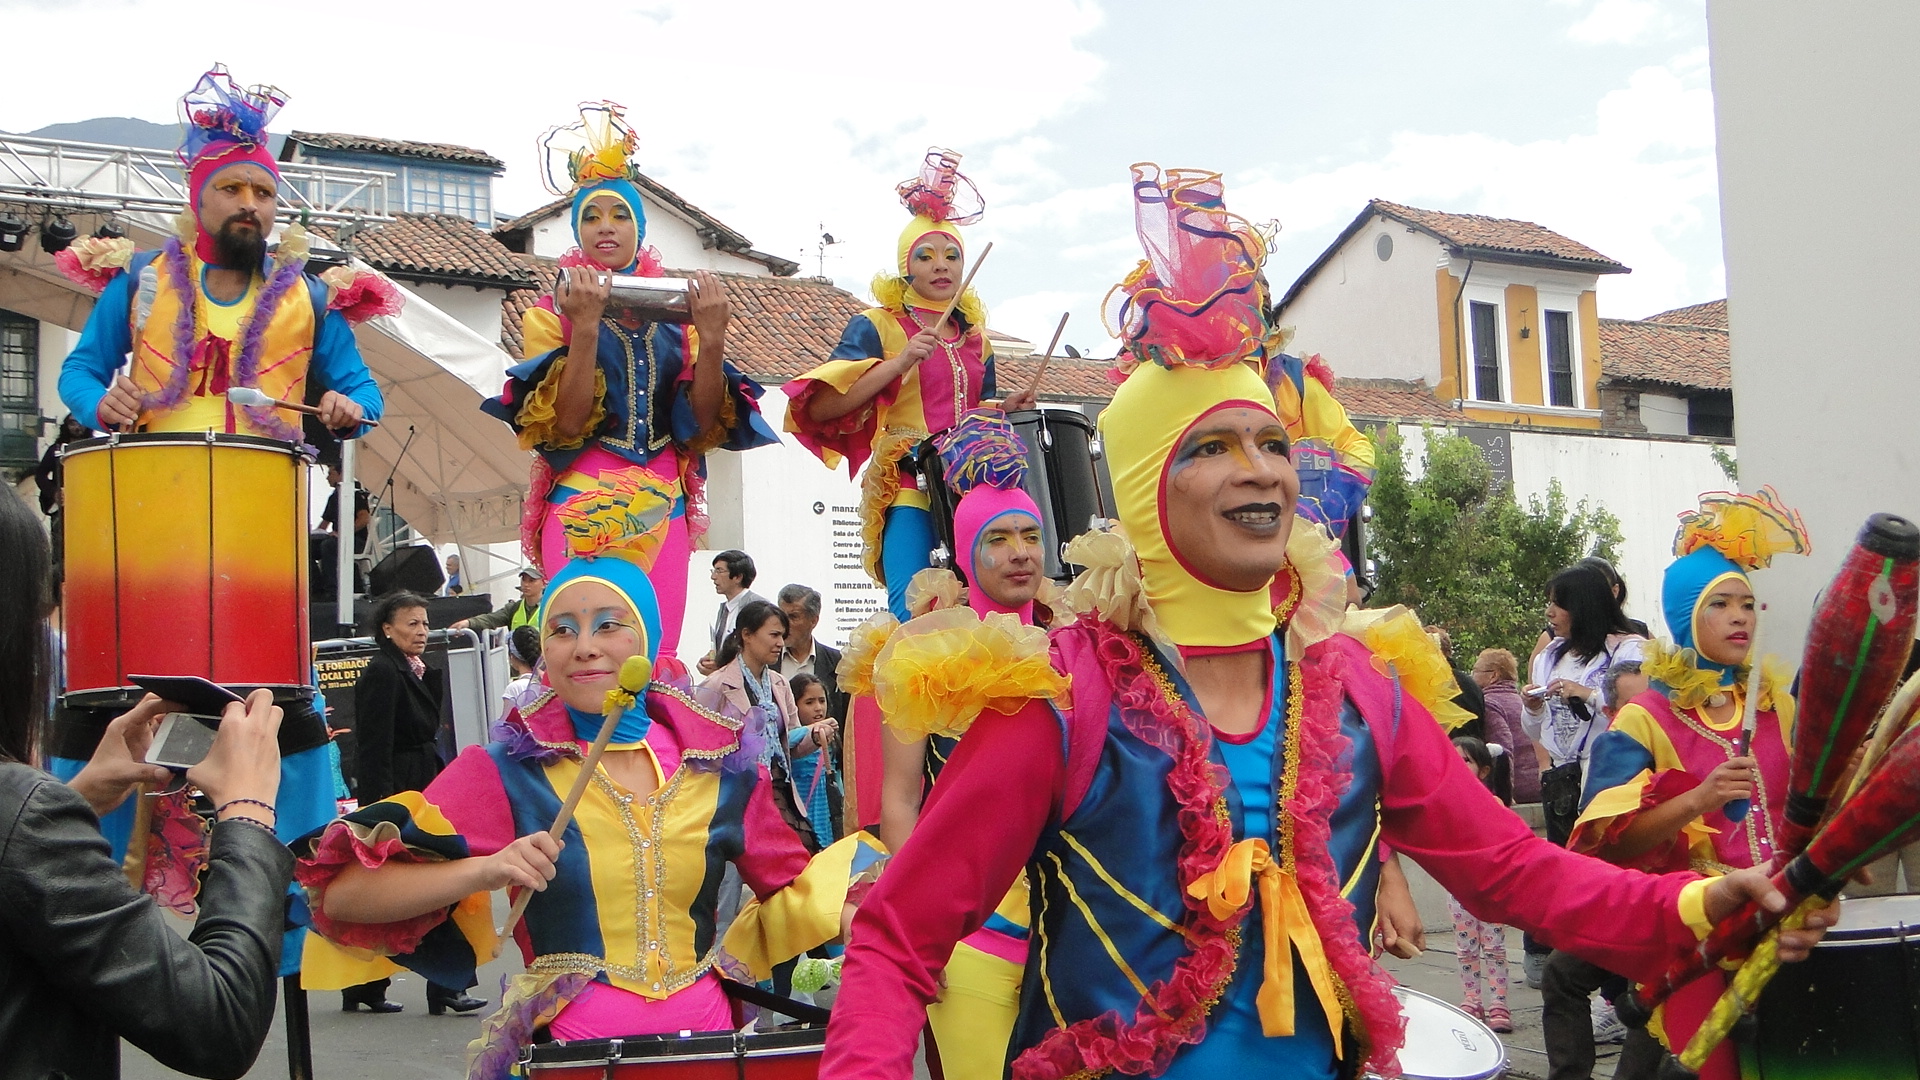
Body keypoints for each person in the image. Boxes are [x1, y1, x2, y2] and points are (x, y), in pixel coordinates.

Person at [818, 165, 1832, 1080]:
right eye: (1213, 447)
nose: (1261, 467)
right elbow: (900, 938)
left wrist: (1698, 904)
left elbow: (1520, 875)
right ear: (1142, 489)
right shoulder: (1061, 698)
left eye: (1270, 441)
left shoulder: (1358, 688)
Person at [294, 538, 878, 1071]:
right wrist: (488, 868)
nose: (585, 647)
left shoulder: (717, 767)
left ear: (646, 637)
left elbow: (799, 889)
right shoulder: (505, 770)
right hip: (569, 1054)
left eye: (608, 624)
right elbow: (345, 893)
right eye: (563, 629)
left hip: (707, 1048)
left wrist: (887, 942)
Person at [0, 482, 293, 1079]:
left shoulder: (25, 816)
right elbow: (218, 1021)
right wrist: (246, 812)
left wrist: (76, 795)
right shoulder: (22, 815)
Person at [482, 102, 777, 662]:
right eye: (592, 216)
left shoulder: (677, 316)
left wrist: (712, 339)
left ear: (639, 226)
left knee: (652, 658)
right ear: (576, 230)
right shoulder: (551, 315)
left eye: (619, 213)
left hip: (662, 499)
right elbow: (564, 427)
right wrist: (586, 328)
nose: (606, 226)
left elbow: (698, 429)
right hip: (581, 499)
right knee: (579, 653)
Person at [1563, 489, 1810, 1080]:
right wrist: (1698, 800)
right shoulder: (1645, 718)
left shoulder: (1779, 706)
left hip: (1789, 933)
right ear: (1684, 616)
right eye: (1720, 603)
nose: (1739, 617)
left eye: (1748, 605)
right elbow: (1604, 845)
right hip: (1696, 937)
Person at [57, 66, 382, 441]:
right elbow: (80, 370)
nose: (250, 205)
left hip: (266, 487)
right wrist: (100, 405)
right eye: (231, 189)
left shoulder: (310, 297)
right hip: (155, 480)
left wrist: (351, 409)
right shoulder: (141, 276)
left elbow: (365, 392)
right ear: (197, 201)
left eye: (264, 193)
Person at [783, 149, 1035, 621]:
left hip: (975, 487)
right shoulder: (876, 325)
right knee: (914, 608)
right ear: (906, 266)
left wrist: (1005, 408)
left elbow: (976, 409)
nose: (941, 266)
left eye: (951, 255)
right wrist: (899, 362)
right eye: (926, 255)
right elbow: (821, 408)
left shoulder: (977, 340)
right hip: (910, 479)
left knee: (989, 608)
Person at [345, 590, 486, 1016]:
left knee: (424, 889)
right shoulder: (383, 673)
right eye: (411, 623)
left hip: (424, 785)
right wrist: (381, 810)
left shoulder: (414, 670)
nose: (421, 631)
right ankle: (439, 984)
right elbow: (373, 746)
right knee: (421, 888)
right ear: (387, 629)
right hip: (400, 796)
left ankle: (379, 986)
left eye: (425, 623)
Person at [1540, 659, 1658, 1079]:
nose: (1650, 711)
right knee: (1560, 972)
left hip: (1669, 901)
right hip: (1618, 898)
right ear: (1611, 712)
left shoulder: (1675, 737)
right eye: (1636, 704)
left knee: (1652, 986)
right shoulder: (1607, 751)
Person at [705, 599, 813, 845]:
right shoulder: (717, 685)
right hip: (735, 797)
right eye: (774, 635)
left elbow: (791, 743)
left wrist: (814, 737)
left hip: (778, 791)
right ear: (747, 635)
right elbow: (700, 749)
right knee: (733, 877)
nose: (780, 644)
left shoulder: (779, 683)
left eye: (783, 636)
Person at [1448, 736, 1515, 1033]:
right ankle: (1472, 999)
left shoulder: (1494, 804)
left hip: (1491, 886)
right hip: (1459, 887)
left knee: (1495, 947)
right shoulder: (1445, 802)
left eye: (1466, 761)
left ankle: (1499, 1002)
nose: (1458, 767)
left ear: (1484, 770)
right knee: (1465, 948)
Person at [1473, 647, 1540, 803]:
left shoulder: (1490, 704)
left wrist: (1505, 794)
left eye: (1475, 671)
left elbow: (1502, 749)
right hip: (1538, 784)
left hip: (1518, 790)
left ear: (1493, 675)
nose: (1472, 676)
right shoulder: (1521, 702)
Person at [777, 583, 848, 722]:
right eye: (781, 616)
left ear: (813, 620)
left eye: (793, 617)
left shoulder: (838, 663)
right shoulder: (767, 661)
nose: (784, 624)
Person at [789, 671, 843, 848]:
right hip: (801, 826)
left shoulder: (831, 738)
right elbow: (784, 740)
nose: (819, 708)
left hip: (826, 825)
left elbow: (838, 783)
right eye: (809, 702)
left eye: (822, 700)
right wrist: (814, 728)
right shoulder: (792, 739)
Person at [702, 550, 767, 675]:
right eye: (713, 571)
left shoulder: (758, 606)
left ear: (738, 577)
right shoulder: (725, 608)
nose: (713, 577)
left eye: (719, 571)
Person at [454, 566, 544, 633]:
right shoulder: (513, 608)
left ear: (543, 583)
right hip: (516, 658)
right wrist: (468, 622)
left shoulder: (551, 607)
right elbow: (491, 619)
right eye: (524, 580)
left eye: (532, 580)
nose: (526, 584)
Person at [319, 461, 373, 556]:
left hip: (356, 540)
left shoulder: (355, 493)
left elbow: (364, 519)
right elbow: (324, 524)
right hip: (338, 538)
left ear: (341, 474)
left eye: (330, 474)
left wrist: (343, 534)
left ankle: (332, 571)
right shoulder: (333, 497)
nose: (327, 478)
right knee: (310, 546)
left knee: (329, 545)